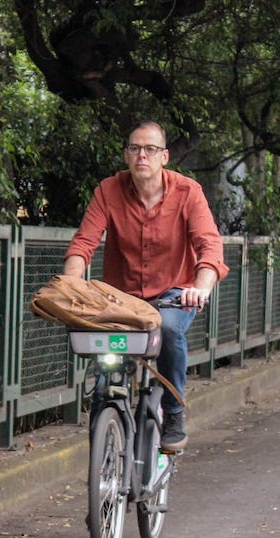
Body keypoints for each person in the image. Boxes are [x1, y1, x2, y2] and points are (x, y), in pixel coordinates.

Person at [63, 121, 228, 452]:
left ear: (164, 156)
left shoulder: (188, 193)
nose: (142, 155)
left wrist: (200, 286)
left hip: (172, 295)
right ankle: (104, 431)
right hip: (120, 299)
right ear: (126, 155)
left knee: (167, 329)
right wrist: (70, 285)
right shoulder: (108, 190)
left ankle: (175, 412)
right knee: (105, 367)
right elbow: (83, 244)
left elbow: (210, 247)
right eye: (135, 148)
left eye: (150, 149)